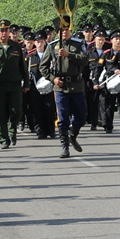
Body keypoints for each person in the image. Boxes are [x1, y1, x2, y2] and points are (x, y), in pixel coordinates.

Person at [40, 17, 88, 158]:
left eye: (67, 30)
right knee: (63, 118)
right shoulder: (52, 46)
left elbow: (85, 59)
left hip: (77, 85)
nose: (64, 32)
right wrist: (53, 79)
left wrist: (69, 55)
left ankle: (73, 134)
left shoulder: (79, 44)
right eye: (62, 30)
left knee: (81, 116)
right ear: (57, 32)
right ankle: (64, 146)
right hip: (60, 87)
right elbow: (43, 67)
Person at [0, 19, 29, 148]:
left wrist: (26, 83)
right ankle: (3, 139)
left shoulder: (16, 47)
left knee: (17, 111)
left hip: (14, 85)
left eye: (6, 30)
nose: (4, 33)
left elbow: (23, 67)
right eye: (1, 30)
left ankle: (12, 131)